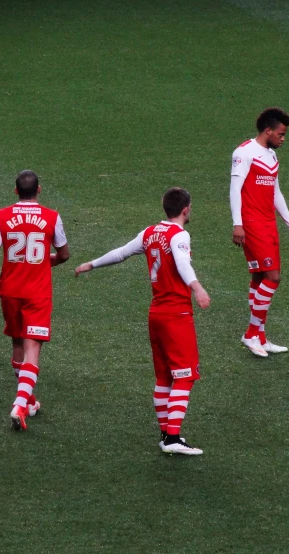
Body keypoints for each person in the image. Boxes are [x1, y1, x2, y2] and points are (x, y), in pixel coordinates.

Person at [75, 188, 210, 455]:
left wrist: (92, 263)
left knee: (163, 377)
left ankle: (165, 435)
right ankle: (172, 438)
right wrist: (196, 287)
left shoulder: (150, 233)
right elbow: (182, 263)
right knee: (184, 377)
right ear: (185, 209)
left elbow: (121, 253)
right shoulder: (179, 235)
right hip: (176, 315)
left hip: (156, 314)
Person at [0, 170, 69, 430]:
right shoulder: (52, 217)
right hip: (37, 293)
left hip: (9, 291)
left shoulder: (2, 215)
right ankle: (19, 405)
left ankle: (29, 403)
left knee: (17, 343)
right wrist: (41, 261)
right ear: (38, 190)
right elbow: (64, 254)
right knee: (32, 350)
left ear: (15, 191)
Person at [230, 107, 289, 358]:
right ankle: (251, 333)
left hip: (268, 223)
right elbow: (235, 188)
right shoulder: (244, 152)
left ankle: (259, 336)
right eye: (281, 134)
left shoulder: (271, 156)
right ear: (268, 130)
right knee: (273, 276)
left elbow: (276, 193)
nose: (283, 138)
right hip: (251, 223)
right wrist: (237, 223)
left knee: (260, 277)